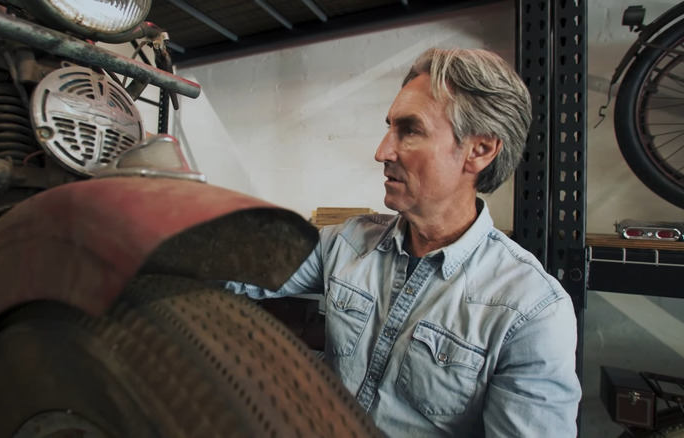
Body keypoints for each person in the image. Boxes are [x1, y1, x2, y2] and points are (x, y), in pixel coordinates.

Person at [226, 47, 582, 437]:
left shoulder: (531, 311)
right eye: (389, 127)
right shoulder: (347, 242)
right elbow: (239, 266)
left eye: (409, 130)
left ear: (479, 150)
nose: (382, 151)